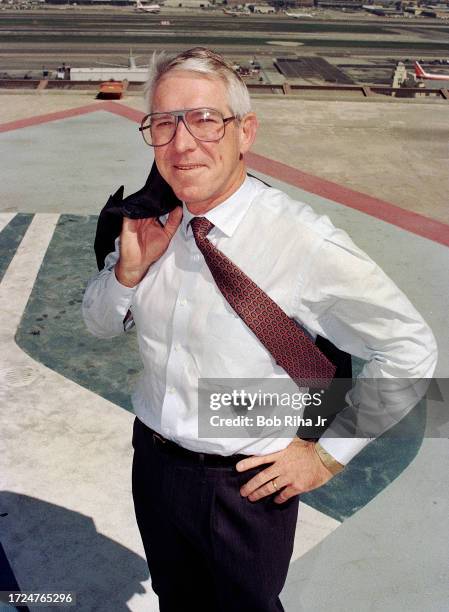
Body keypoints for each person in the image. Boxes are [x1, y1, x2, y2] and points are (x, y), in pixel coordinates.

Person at [82, 47, 437, 611]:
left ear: (245, 132)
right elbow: (100, 325)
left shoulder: (302, 242)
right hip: (153, 464)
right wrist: (126, 273)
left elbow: (411, 349)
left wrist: (325, 456)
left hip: (244, 485)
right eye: (164, 123)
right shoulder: (146, 218)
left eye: (204, 119)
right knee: (177, 600)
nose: (182, 143)